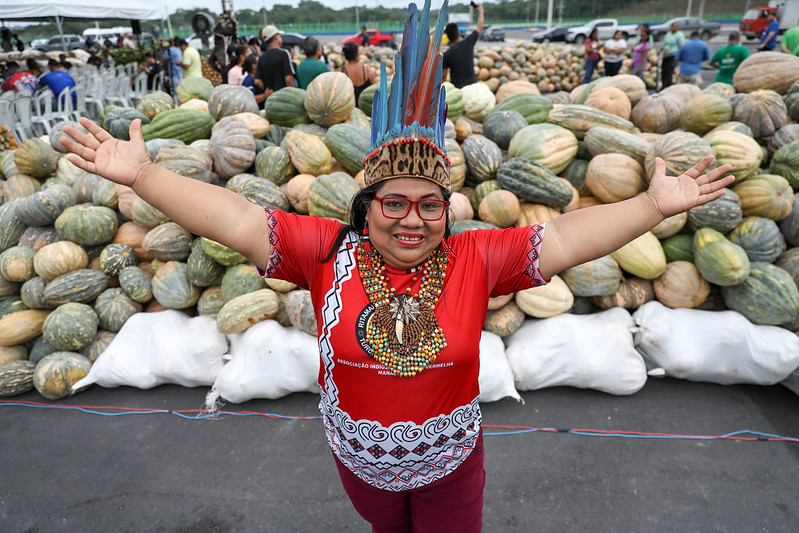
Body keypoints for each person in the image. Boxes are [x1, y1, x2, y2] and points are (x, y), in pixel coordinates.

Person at [60, 1, 734, 530]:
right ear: (365, 205)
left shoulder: (474, 254)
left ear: (447, 210)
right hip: (358, 465)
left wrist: (650, 204)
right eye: (394, 203)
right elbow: (235, 220)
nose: (412, 218)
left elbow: (565, 239)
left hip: (450, 465)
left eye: (429, 205)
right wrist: (144, 174)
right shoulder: (328, 249)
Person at [442, 2, 484, 88]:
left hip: (458, 90)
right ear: (458, 32)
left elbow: (443, 77)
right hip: (473, 85)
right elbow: (479, 28)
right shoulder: (468, 42)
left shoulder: (447, 55)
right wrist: (481, 12)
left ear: (448, 37)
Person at [254, 24, 296, 98]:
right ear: (275, 37)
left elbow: (257, 81)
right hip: (284, 97)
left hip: (271, 99)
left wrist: (269, 90)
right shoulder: (284, 53)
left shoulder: (262, 57)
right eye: (279, 36)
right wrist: (295, 95)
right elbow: (289, 80)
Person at [660, 21, 685, 88]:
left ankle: (668, 86)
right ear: (671, 27)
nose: (675, 28)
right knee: (664, 71)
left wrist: (680, 58)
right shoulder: (668, 34)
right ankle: (663, 86)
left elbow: (681, 46)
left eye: (676, 27)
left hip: (673, 55)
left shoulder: (679, 35)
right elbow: (664, 44)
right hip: (666, 55)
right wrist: (660, 50)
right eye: (674, 26)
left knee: (669, 71)